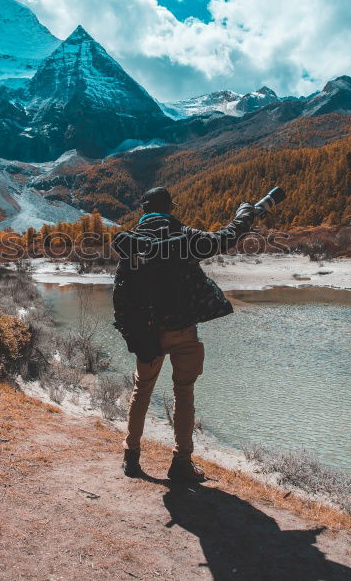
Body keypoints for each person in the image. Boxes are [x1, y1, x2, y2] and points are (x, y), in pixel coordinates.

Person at [111, 186, 261, 482]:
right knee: (184, 393)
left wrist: (131, 331)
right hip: (182, 329)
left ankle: (131, 456)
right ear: (170, 208)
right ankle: (181, 462)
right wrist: (244, 215)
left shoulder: (132, 242)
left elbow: (122, 291)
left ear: (144, 210)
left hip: (147, 334)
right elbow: (224, 239)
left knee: (142, 391)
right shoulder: (184, 236)